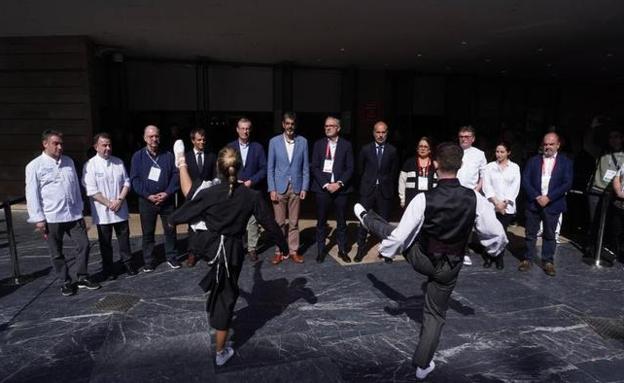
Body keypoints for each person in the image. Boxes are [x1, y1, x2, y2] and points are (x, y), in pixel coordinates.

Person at [353, 142, 507, 381]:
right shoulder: (474, 199)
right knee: (435, 314)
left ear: (435, 164)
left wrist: (386, 251)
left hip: (422, 259)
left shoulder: (423, 199)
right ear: (461, 165)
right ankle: (423, 365)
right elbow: (497, 235)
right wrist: (492, 250)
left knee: (397, 235)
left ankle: (366, 219)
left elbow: (399, 237)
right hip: (451, 266)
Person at [169, 144, 289, 368]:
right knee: (228, 296)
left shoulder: (209, 193)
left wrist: (173, 219)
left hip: (210, 246)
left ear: (218, 168)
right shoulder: (251, 196)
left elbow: (185, 211)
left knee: (222, 283)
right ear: (240, 168)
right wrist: (283, 246)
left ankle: (215, 304)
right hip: (230, 251)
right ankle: (221, 351)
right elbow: (270, 224)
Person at [25, 129, 101, 296]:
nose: (60, 147)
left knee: (84, 245)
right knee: (57, 252)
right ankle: (65, 281)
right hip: (52, 217)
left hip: (73, 215)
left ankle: (82, 276)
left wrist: (81, 210)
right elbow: (32, 194)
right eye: (55, 143)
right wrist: (38, 219)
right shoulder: (34, 166)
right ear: (45, 144)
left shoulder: (68, 162)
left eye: (61, 143)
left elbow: (74, 187)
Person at [83, 133, 138, 280]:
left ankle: (128, 263)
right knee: (105, 242)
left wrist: (119, 200)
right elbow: (91, 190)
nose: (108, 148)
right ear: (96, 147)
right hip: (102, 211)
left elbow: (127, 182)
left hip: (120, 207)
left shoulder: (118, 162)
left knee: (124, 238)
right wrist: (109, 203)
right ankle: (108, 268)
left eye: (109, 145)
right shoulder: (90, 165)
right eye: (104, 145)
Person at [519, 132, 573, 276]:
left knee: (549, 234)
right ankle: (527, 258)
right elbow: (525, 180)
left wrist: (549, 197)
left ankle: (548, 261)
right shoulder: (533, 161)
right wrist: (536, 196)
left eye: (551, 144)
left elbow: (567, 183)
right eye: (545, 144)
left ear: (558, 145)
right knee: (530, 233)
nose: (548, 147)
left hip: (553, 204)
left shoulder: (565, 162)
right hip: (534, 203)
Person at [130, 125, 180, 272]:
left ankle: (171, 257)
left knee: (170, 229)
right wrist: (148, 195)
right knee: (148, 232)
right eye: (151, 136)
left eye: (156, 136)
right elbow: (134, 180)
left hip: (167, 199)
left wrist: (168, 193)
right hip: (147, 201)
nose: (154, 139)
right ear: (145, 138)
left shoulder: (168, 155)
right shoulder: (137, 157)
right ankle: (149, 261)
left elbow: (176, 176)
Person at [310, 116, 355, 263]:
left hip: (341, 190)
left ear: (338, 128)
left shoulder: (346, 145)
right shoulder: (318, 144)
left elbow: (350, 168)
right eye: (325, 126)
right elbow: (315, 167)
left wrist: (339, 183)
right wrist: (326, 184)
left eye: (331, 125)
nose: (327, 128)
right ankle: (321, 250)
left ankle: (342, 250)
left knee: (341, 222)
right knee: (321, 221)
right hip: (323, 189)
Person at [267, 112, 309, 264]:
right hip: (279, 188)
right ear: (283, 125)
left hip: (296, 187)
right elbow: (270, 168)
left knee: (294, 222)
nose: (290, 126)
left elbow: (305, 167)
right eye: (287, 123)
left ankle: (293, 251)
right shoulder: (274, 142)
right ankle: (279, 251)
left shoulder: (303, 142)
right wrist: (271, 189)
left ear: (295, 125)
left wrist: (304, 187)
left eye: (292, 124)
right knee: (279, 222)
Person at [354, 121, 399, 263]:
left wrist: (387, 184)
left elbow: (394, 171)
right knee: (363, 221)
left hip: (384, 191)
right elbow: (360, 169)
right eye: (378, 132)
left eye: (383, 132)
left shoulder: (392, 150)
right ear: (373, 133)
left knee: (384, 222)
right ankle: (361, 248)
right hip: (368, 190)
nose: (380, 135)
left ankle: (386, 252)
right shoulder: (365, 149)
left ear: (387, 133)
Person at [227, 118, 267, 261]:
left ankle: (252, 248)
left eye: (247, 128)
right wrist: (232, 179)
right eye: (242, 128)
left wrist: (252, 181)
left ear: (250, 130)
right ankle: (236, 247)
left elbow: (264, 168)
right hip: (236, 189)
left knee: (252, 220)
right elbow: (224, 168)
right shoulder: (230, 147)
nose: (245, 131)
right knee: (236, 219)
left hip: (252, 189)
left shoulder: (258, 147)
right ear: (237, 129)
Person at [585, 127, 624, 260]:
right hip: (597, 191)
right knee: (594, 221)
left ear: (621, 138)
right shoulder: (601, 152)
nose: (614, 140)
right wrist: (593, 127)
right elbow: (587, 145)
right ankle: (592, 248)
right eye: (611, 137)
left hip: (614, 194)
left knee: (610, 223)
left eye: (616, 136)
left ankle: (604, 248)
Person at [481, 141, 521, 269]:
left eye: (502, 152)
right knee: (489, 232)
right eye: (497, 151)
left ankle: (499, 257)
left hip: (506, 206)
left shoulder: (514, 167)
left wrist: (504, 203)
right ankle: (488, 256)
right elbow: (487, 186)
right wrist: (496, 203)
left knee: (502, 233)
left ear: (508, 152)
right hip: (491, 205)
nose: (499, 154)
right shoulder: (489, 167)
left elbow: (515, 187)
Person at [184, 127, 216, 267]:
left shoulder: (211, 156)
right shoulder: (186, 157)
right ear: (193, 141)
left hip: (208, 197)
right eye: (199, 140)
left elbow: (215, 176)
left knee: (208, 226)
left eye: (203, 139)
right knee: (192, 227)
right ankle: (192, 253)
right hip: (192, 198)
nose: (202, 142)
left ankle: (209, 253)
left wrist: (212, 186)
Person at [456, 125, 487, 266]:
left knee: (467, 224)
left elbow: (483, 175)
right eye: (461, 136)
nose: (464, 139)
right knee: (453, 223)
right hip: (453, 192)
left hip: (470, 194)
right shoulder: (453, 151)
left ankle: (465, 250)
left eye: (467, 137)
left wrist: (477, 190)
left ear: (473, 139)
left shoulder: (479, 154)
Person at [398, 137, 436, 209]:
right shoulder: (409, 163)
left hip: (429, 201)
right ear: (417, 148)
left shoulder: (435, 164)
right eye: (420, 146)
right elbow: (402, 182)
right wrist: (402, 199)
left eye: (425, 147)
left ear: (429, 150)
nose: (423, 148)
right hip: (411, 200)